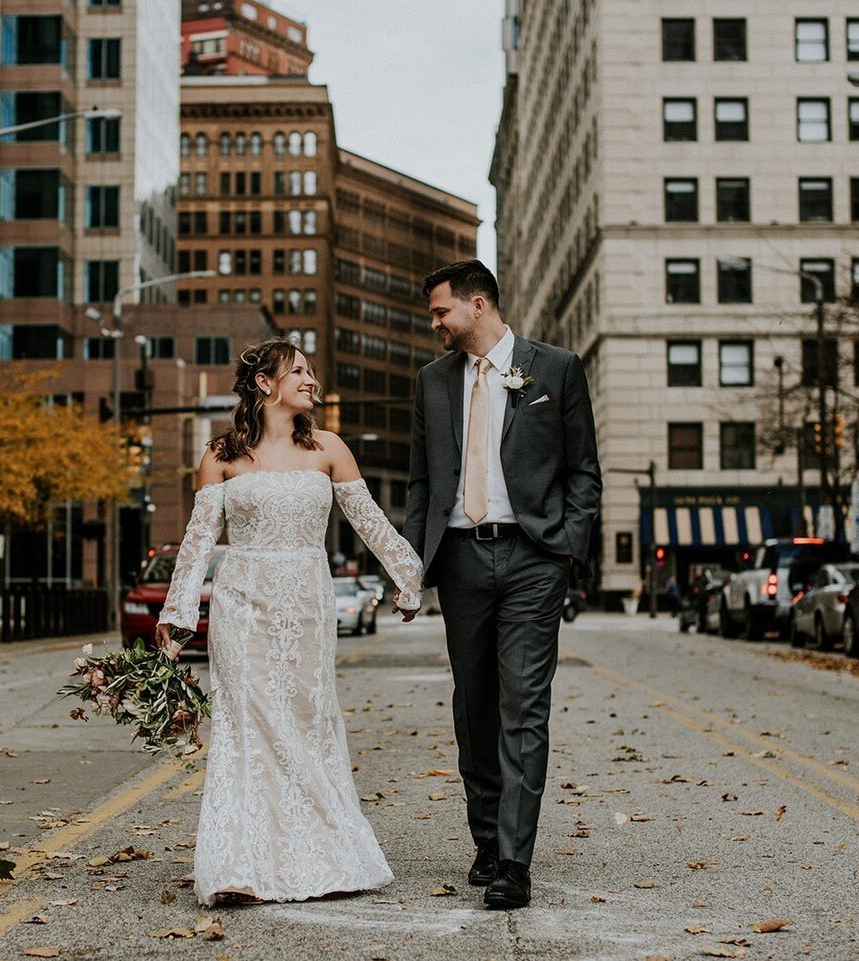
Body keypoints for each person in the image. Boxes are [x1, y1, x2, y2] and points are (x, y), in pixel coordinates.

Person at [155, 339, 424, 907]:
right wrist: (178, 616)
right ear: (264, 384)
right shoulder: (221, 455)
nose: (310, 379)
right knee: (247, 728)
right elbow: (198, 543)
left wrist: (407, 575)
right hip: (242, 605)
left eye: (310, 370)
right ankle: (238, 866)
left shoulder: (328, 448)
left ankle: (323, 856)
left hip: (305, 603)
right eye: (298, 371)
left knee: (305, 724)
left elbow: (370, 522)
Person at [404, 259, 601, 910]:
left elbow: (583, 473)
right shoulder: (432, 382)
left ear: (478, 304)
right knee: (476, 706)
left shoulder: (557, 368)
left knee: (524, 705)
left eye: (441, 311)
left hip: (532, 559)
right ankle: (485, 838)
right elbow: (420, 484)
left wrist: (567, 549)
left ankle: (513, 861)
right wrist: (415, 563)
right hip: (460, 559)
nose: (434, 322)